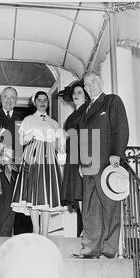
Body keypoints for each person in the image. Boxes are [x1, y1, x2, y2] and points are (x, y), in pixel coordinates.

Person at [73, 71, 129, 259]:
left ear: (102, 82)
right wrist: (81, 163)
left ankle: (108, 249)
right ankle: (90, 250)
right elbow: (81, 137)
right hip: (89, 162)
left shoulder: (112, 101)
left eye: (94, 82)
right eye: (87, 84)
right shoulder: (85, 109)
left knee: (109, 204)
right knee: (89, 207)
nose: (90, 86)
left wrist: (117, 154)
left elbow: (120, 127)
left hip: (107, 160)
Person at [11, 91, 66, 237]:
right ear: (35, 102)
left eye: (45, 100)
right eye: (39, 100)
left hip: (49, 160)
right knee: (34, 193)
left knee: (47, 194)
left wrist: (59, 144)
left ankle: (45, 231)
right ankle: (35, 229)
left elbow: (58, 145)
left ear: (48, 103)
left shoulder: (53, 122)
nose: (42, 103)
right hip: (33, 157)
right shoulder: (28, 119)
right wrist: (33, 134)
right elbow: (21, 141)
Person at [0, 87, 32, 236]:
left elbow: (23, 143)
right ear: (1, 99)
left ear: (16, 100)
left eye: (12, 97)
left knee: (9, 200)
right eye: (6, 97)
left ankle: (5, 234)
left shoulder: (22, 119)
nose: (9, 100)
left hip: (14, 165)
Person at [60, 80, 90, 237]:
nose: (76, 95)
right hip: (72, 156)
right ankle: (84, 228)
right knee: (78, 193)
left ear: (85, 95)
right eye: (74, 93)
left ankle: (88, 229)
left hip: (81, 156)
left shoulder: (87, 111)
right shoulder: (73, 115)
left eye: (80, 92)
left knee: (84, 194)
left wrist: (83, 161)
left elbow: (86, 136)